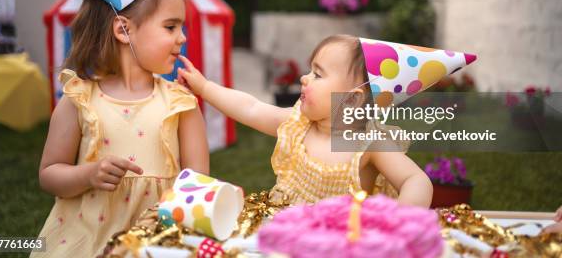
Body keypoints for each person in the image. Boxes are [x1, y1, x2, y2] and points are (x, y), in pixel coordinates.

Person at [32, 0, 209, 257]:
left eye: (182, 28)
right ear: (124, 29)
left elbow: (198, 184)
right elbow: (49, 174)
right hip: (87, 239)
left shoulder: (181, 103)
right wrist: (87, 174)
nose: (183, 38)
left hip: (157, 241)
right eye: (171, 27)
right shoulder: (79, 99)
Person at [178, 34, 433, 207]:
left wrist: (399, 222)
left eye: (318, 74)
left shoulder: (369, 145)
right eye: (310, 70)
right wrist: (205, 87)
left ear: (352, 100)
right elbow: (251, 108)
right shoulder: (297, 124)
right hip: (287, 237)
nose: (304, 77)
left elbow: (416, 180)